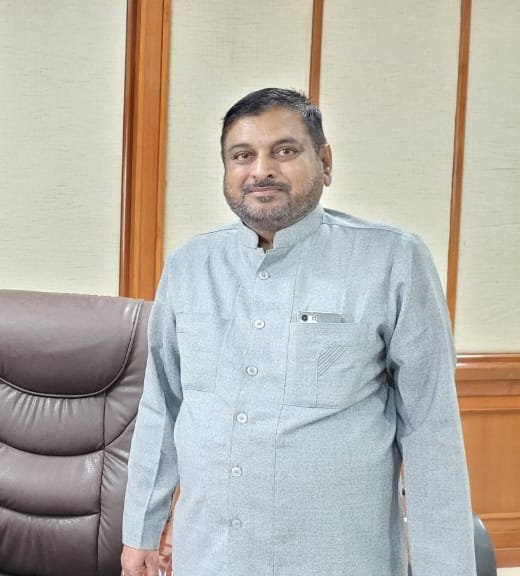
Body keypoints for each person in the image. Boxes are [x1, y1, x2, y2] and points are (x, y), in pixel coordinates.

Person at [120, 88, 475, 576]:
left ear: (325, 162)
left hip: (340, 559)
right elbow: (163, 404)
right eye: (242, 155)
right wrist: (141, 531)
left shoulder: (393, 261)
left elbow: (432, 433)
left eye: (284, 151)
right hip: (211, 556)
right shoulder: (188, 266)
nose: (261, 170)